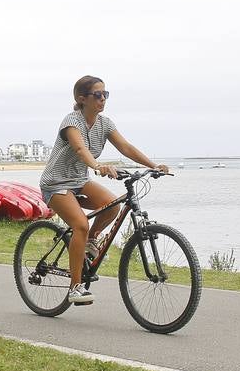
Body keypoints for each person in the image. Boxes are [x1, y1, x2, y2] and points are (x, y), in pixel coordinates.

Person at [39, 75, 169, 306]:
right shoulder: (72, 122)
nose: (102, 99)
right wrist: (98, 166)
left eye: (105, 94)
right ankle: (75, 288)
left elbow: (126, 147)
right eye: (97, 95)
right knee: (80, 224)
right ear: (82, 99)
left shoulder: (104, 123)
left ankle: (90, 242)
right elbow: (80, 148)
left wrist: (153, 166)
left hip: (79, 180)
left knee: (112, 206)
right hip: (56, 183)